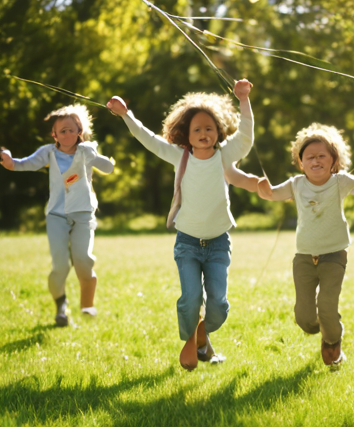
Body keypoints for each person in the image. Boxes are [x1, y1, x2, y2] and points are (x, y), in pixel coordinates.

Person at [107, 79, 254, 371]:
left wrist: (244, 99)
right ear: (185, 134)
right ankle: (192, 340)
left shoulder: (224, 155)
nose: (203, 133)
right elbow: (147, 138)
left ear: (218, 131)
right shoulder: (180, 156)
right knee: (190, 298)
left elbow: (247, 137)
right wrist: (126, 114)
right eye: (196, 129)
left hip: (217, 243)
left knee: (218, 306)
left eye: (209, 128)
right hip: (187, 242)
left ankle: (202, 333)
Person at [253, 123, 354, 367]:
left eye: (322, 155)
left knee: (327, 305)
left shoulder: (340, 181)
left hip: (334, 255)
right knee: (303, 316)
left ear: (333, 160)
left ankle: (332, 340)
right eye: (309, 157)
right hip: (303, 257)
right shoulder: (296, 184)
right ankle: (321, 327)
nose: (316, 160)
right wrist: (263, 190)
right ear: (301, 163)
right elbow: (271, 193)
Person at [0, 104, 115, 327]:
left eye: (72, 129)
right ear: (54, 135)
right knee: (61, 265)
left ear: (79, 131)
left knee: (83, 261)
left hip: (83, 214)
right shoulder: (48, 152)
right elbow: (22, 164)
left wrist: (95, 156)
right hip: (56, 215)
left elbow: (108, 168)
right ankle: (61, 306)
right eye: (62, 131)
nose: (68, 134)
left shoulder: (86, 150)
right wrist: (9, 160)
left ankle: (87, 305)